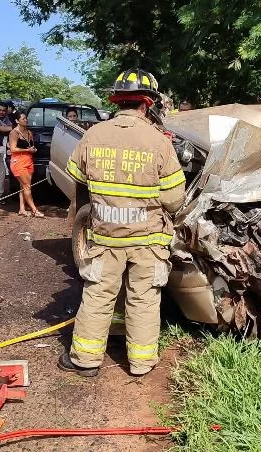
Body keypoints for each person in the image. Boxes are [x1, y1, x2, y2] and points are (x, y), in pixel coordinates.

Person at [58, 68, 186, 377]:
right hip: (148, 240)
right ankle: (141, 363)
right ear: (147, 104)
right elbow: (174, 200)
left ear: (118, 101)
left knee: (98, 295)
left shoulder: (94, 135)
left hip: (106, 237)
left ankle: (85, 360)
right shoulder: (159, 142)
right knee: (144, 299)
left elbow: (76, 177)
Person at [8, 111, 45, 217]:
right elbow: (13, 149)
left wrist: (32, 150)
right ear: (17, 121)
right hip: (18, 162)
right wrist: (27, 150)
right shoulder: (14, 133)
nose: (26, 120)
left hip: (28, 161)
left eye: (26, 118)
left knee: (23, 186)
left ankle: (22, 209)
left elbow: (30, 146)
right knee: (27, 187)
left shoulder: (29, 132)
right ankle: (34, 210)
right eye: (23, 119)